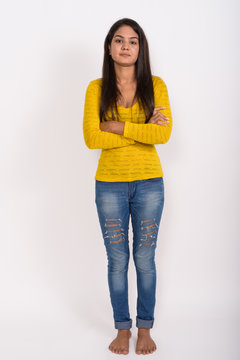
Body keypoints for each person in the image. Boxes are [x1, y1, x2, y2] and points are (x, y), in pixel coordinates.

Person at [83, 18, 173, 355]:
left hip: (150, 183)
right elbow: (92, 138)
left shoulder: (156, 85)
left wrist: (117, 126)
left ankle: (145, 328)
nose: (125, 46)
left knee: (145, 259)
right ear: (109, 47)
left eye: (133, 41)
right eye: (119, 40)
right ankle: (123, 329)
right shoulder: (96, 88)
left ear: (140, 48)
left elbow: (163, 135)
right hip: (109, 186)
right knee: (117, 261)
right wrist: (141, 129)